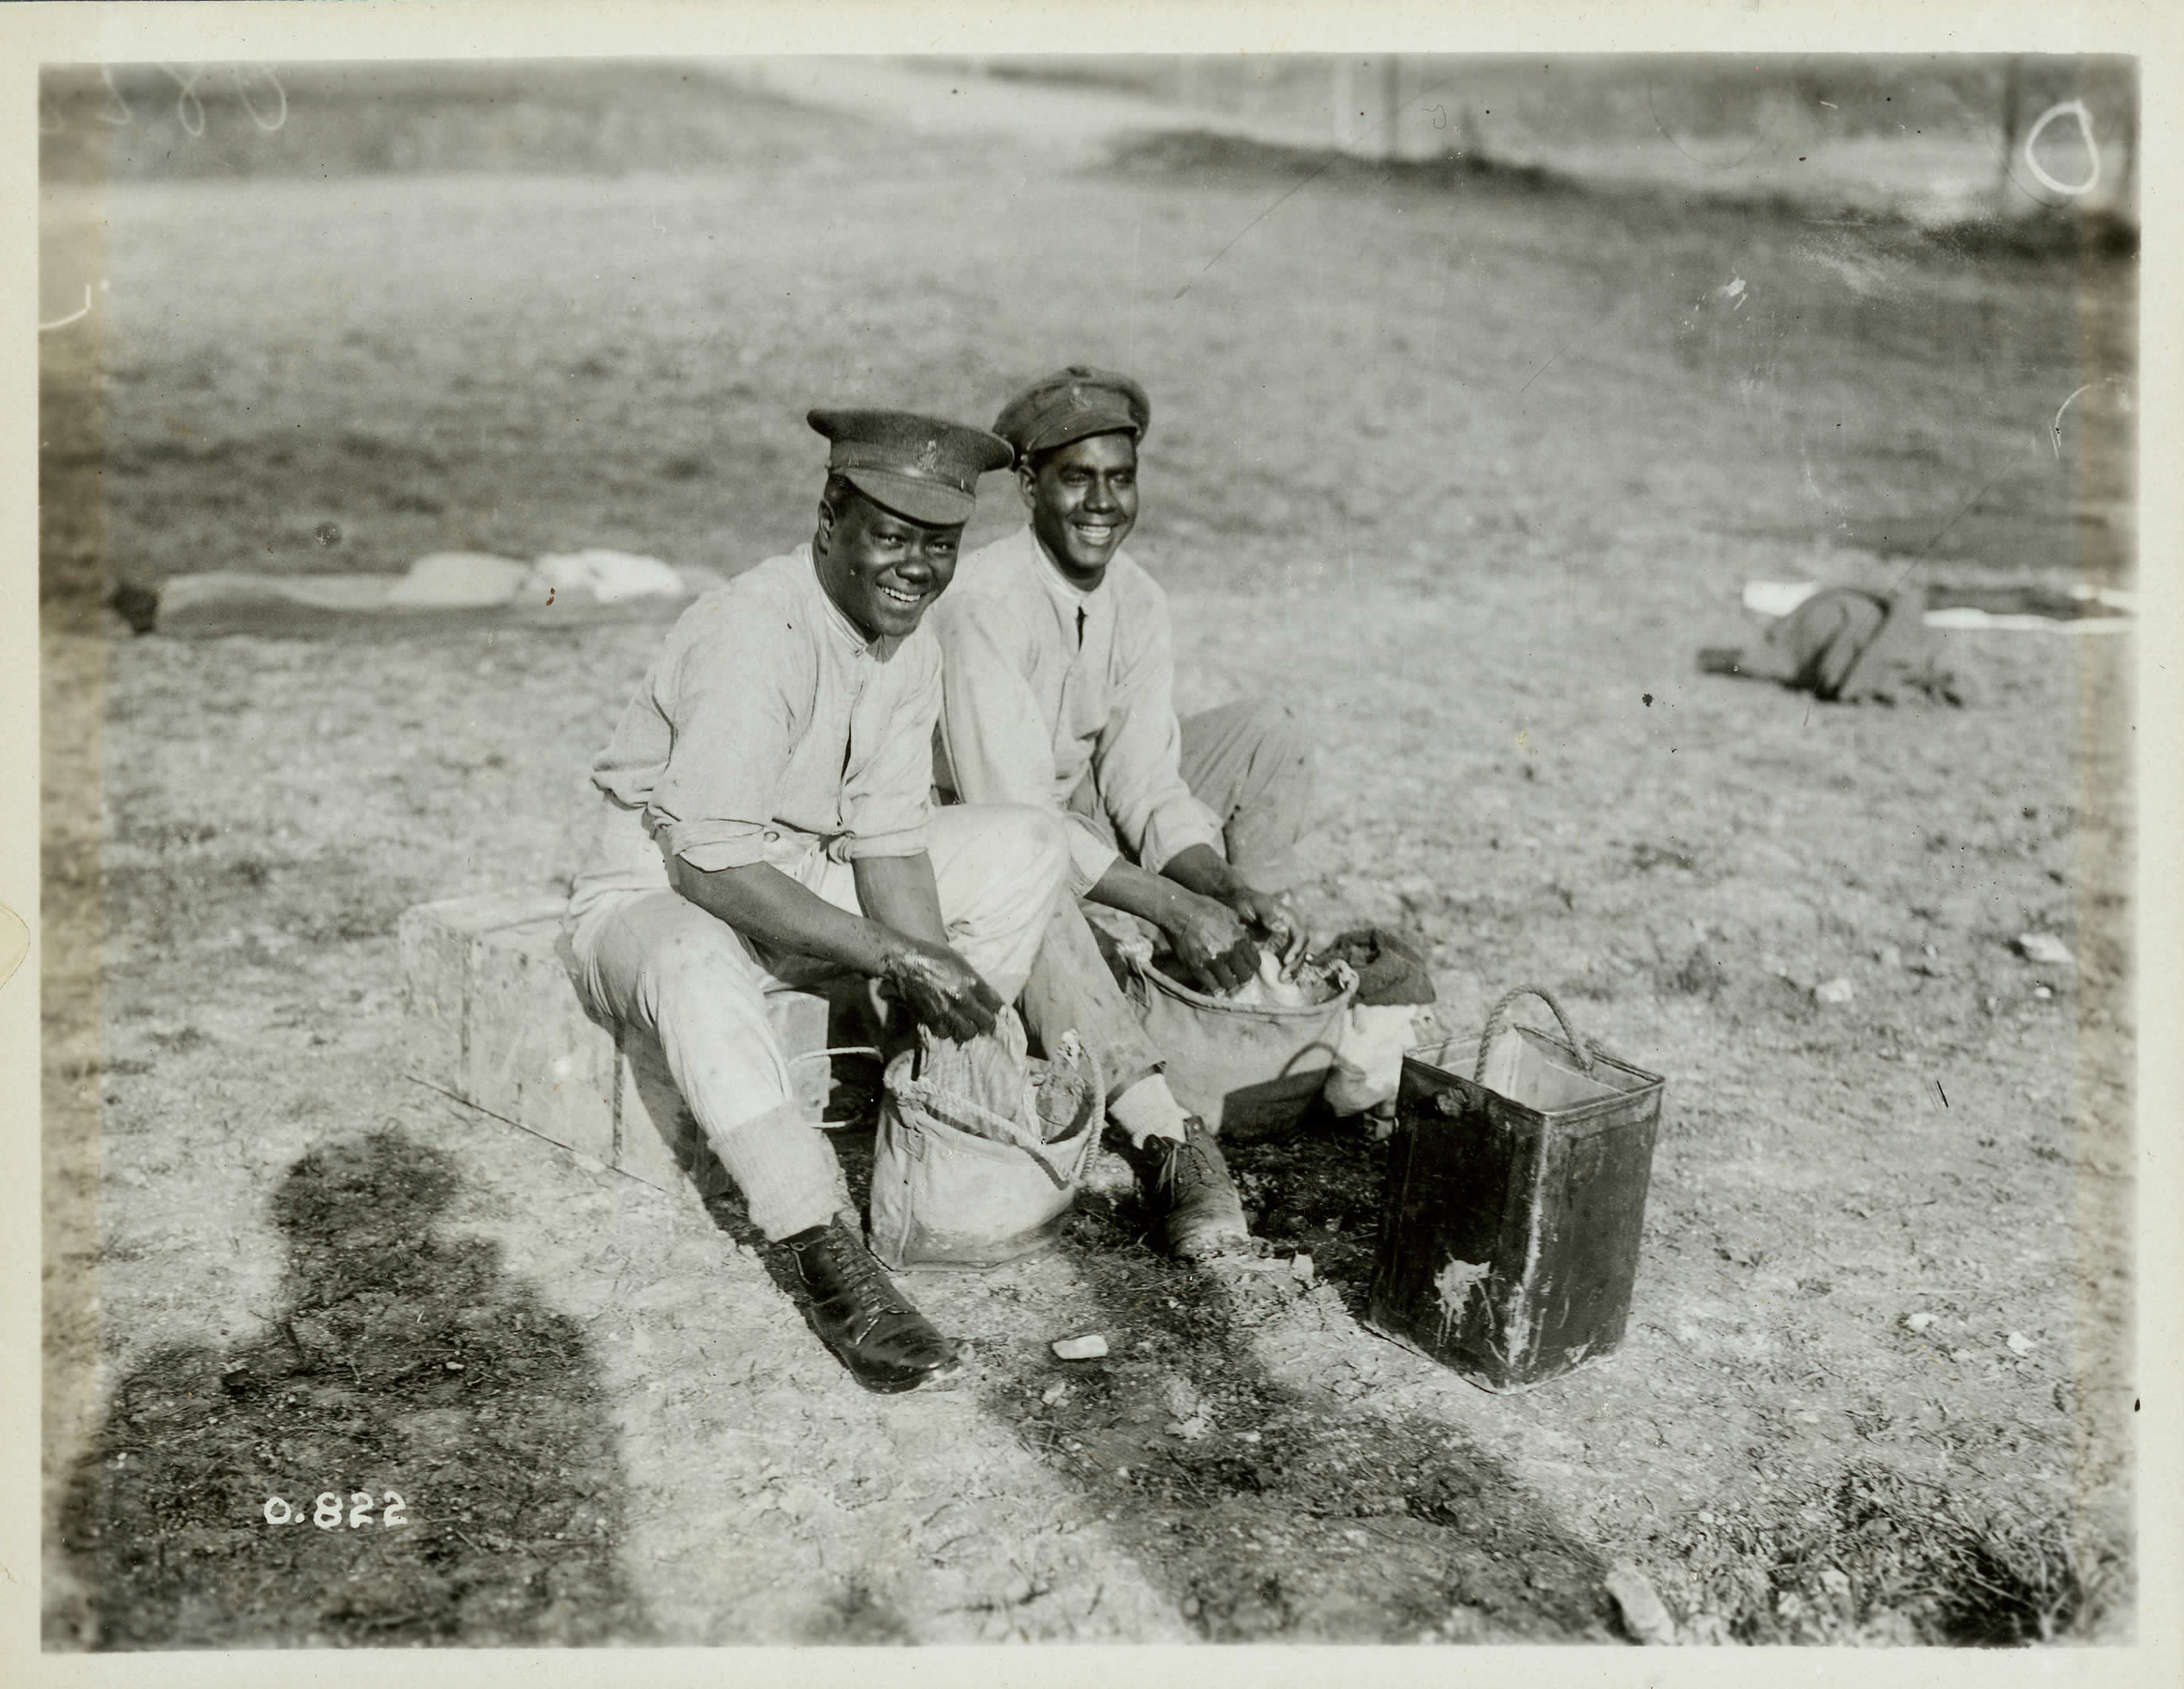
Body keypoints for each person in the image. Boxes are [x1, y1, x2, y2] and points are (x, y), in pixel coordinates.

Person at [564, 407, 1066, 1394]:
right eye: (891, 536)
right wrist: (894, 956)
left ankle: (930, 1102)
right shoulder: (759, 626)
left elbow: (887, 841)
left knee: (1025, 843)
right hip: (659, 886)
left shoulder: (901, 635)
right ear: (829, 517)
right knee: (695, 959)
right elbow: (707, 865)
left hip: (795, 877)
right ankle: (816, 1242)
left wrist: (935, 976)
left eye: (940, 545)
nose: (915, 568)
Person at [929, 366, 1318, 1262]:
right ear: (1029, 486)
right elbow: (1019, 817)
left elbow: (1146, 781)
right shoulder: (982, 603)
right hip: (978, 828)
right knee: (1036, 869)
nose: (1102, 502)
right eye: (1076, 479)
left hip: (1076, 816)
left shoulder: (1137, 595)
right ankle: (1161, 1133)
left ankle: (1252, 986)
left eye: (1120, 477)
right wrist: (1172, 904)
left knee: (1270, 731)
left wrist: (1222, 885)